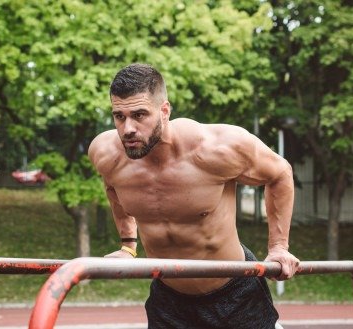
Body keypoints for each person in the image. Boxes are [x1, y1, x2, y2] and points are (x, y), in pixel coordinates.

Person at [88, 63, 300, 329]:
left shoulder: (216, 148)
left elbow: (280, 173)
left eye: (139, 114)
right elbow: (113, 188)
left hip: (234, 293)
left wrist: (279, 247)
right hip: (169, 299)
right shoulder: (106, 154)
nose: (128, 128)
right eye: (119, 116)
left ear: (164, 111)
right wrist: (128, 246)